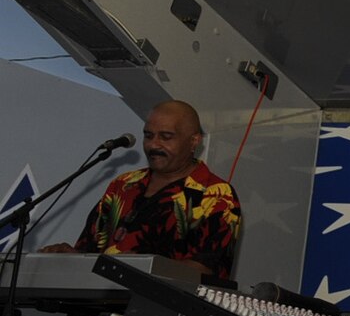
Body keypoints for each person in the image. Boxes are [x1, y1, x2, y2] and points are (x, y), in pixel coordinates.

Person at [40, 99, 241, 280]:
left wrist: (137, 268)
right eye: (148, 135)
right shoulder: (124, 184)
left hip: (158, 315)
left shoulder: (216, 195)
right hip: (93, 314)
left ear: (194, 141)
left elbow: (204, 271)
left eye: (166, 137)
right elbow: (91, 251)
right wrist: (70, 257)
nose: (154, 145)